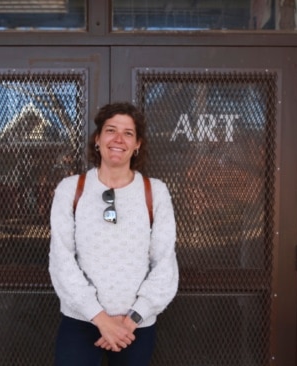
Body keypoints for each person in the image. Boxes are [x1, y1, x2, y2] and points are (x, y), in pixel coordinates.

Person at [49, 102, 179, 366]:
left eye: (128, 133)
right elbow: (61, 260)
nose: (118, 139)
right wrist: (100, 318)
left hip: (136, 327)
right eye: (110, 130)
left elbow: (165, 262)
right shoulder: (71, 188)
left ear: (137, 144)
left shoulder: (155, 191)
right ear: (98, 139)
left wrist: (130, 321)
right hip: (81, 321)